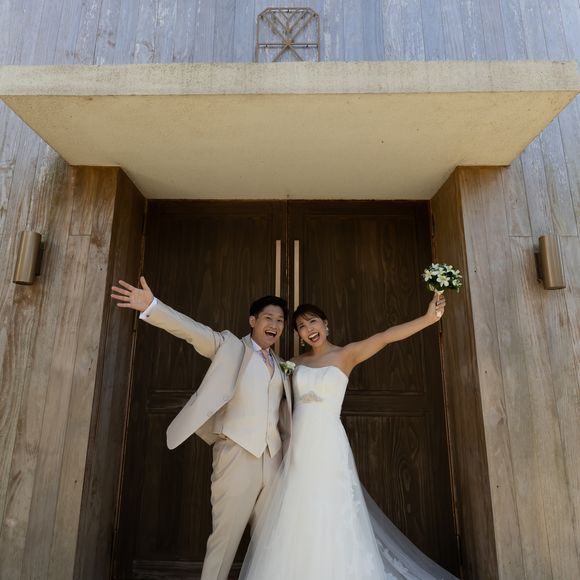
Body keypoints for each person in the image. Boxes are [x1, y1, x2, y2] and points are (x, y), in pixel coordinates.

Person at [239, 293, 458, 580]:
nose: (308, 329)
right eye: (301, 326)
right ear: (298, 335)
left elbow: (386, 336)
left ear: (325, 324)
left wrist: (428, 319)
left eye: (313, 321)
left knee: (332, 507)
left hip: (329, 444)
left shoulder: (346, 355)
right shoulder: (293, 362)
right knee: (298, 509)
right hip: (298, 447)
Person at [110, 277, 292, 580]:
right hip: (236, 455)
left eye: (280, 320)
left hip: (273, 460)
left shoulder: (282, 365)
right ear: (253, 321)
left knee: (271, 543)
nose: (274, 324)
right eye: (268, 318)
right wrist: (152, 306)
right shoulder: (230, 346)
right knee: (224, 541)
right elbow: (191, 330)